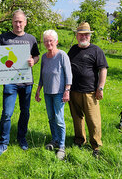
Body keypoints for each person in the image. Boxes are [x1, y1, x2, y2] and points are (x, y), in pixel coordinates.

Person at [0, 9, 40, 157]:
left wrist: (33, 61)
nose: (18, 24)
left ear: (25, 23)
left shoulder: (31, 39)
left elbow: (37, 56)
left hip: (26, 82)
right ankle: (3, 143)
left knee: (25, 111)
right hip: (9, 82)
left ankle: (22, 138)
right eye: (16, 21)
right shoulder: (3, 38)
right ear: (12, 22)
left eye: (21, 21)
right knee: (7, 113)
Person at [67, 22, 108, 158]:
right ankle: (80, 140)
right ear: (77, 36)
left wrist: (100, 88)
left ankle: (96, 146)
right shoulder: (72, 50)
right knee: (77, 118)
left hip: (90, 92)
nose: (83, 36)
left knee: (93, 120)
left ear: (89, 36)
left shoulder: (96, 50)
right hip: (73, 91)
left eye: (86, 34)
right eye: (81, 34)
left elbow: (103, 69)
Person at [35, 29, 72, 160]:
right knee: (51, 118)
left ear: (56, 41)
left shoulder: (62, 55)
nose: (48, 43)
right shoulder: (44, 57)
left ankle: (61, 146)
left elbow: (69, 75)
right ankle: (54, 140)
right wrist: (38, 89)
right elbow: (42, 76)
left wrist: (67, 91)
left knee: (59, 119)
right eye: (46, 41)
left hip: (59, 93)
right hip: (47, 93)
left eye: (50, 40)